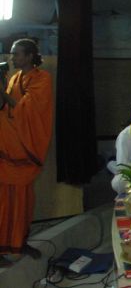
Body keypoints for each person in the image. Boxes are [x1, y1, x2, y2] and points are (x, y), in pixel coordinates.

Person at [0, 39, 53, 266]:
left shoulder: (42, 79)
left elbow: (28, 111)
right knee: (5, 201)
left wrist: (2, 94)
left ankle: (19, 242)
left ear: (30, 56)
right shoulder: (14, 78)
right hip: (8, 147)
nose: (12, 58)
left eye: (16, 54)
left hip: (25, 147)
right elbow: (7, 111)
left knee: (24, 200)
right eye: (12, 54)